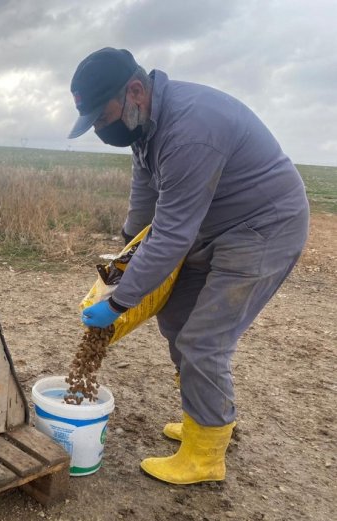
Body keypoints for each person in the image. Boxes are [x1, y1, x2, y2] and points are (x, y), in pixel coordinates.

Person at [68, 47, 309, 484]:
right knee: (178, 321)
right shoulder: (146, 129)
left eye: (103, 118)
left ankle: (205, 456)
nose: (102, 131)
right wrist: (124, 258)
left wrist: (119, 302)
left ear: (136, 92)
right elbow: (145, 202)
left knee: (204, 339)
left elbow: (173, 235)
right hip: (210, 229)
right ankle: (206, 418)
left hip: (262, 229)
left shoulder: (191, 130)